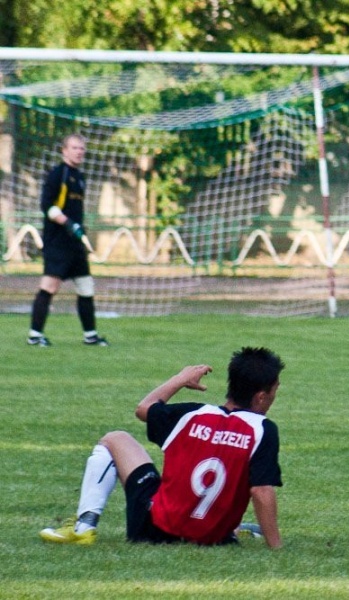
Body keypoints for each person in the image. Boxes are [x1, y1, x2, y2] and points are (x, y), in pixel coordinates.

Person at [39, 347, 286, 549]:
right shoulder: (263, 429)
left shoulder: (192, 414)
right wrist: (276, 547)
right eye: (275, 390)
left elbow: (143, 408)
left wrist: (179, 379)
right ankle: (231, 528)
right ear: (261, 397)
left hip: (152, 530)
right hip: (213, 538)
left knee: (115, 439)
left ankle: (84, 526)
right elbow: (261, 491)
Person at [28, 133, 108, 347]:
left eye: (82, 148)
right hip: (58, 243)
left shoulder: (79, 177)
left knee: (86, 286)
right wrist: (68, 223)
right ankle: (34, 336)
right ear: (64, 150)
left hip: (75, 245)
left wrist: (78, 229)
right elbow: (48, 207)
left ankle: (90, 336)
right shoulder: (57, 174)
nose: (79, 151)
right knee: (49, 286)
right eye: (75, 148)